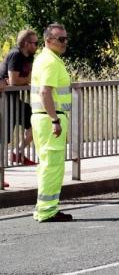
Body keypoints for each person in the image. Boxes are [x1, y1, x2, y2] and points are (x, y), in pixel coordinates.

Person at [30, 23, 73, 221]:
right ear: (48, 40)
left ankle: (43, 207)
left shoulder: (46, 58)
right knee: (53, 165)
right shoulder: (50, 61)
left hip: (43, 118)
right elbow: (45, 91)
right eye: (61, 39)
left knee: (47, 164)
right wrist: (55, 119)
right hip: (50, 118)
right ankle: (47, 210)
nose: (65, 43)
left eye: (65, 39)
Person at [2, 29, 38, 166]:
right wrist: (27, 79)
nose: (37, 46)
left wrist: (25, 79)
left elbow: (26, 78)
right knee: (4, 138)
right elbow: (13, 81)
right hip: (4, 100)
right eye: (35, 43)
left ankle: (17, 153)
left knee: (36, 122)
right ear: (25, 43)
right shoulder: (15, 55)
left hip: (14, 100)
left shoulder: (29, 57)